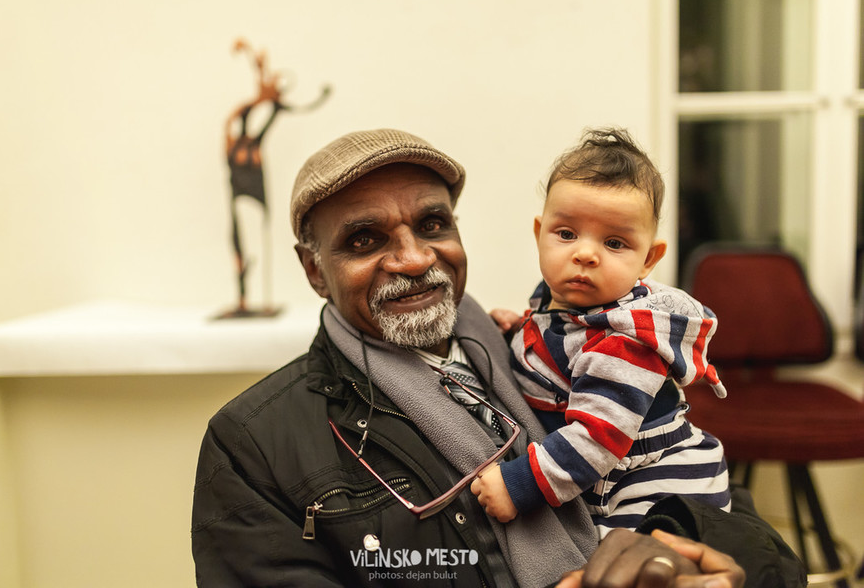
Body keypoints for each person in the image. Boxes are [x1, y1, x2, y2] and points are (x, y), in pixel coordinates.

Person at [191, 128, 805, 587]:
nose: (414, 258)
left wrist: (678, 549)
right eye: (364, 239)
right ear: (313, 269)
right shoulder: (253, 445)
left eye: (433, 224)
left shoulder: (553, 350)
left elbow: (760, 549)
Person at [472, 128, 732, 538]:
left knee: (613, 563)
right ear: (540, 233)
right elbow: (557, 339)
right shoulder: (558, 299)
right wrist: (518, 330)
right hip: (611, 474)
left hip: (659, 489)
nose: (585, 254)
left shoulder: (627, 342)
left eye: (614, 242)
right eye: (566, 234)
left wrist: (517, 485)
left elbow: (598, 437)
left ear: (648, 259)